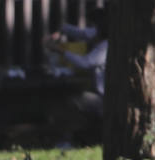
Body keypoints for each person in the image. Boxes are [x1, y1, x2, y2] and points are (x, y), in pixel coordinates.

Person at [45, 11, 108, 143]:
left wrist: (60, 50)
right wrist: (62, 28)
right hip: (102, 96)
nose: (93, 33)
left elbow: (85, 63)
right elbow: (84, 34)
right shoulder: (105, 40)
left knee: (71, 102)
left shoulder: (105, 47)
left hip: (105, 99)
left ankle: (68, 141)